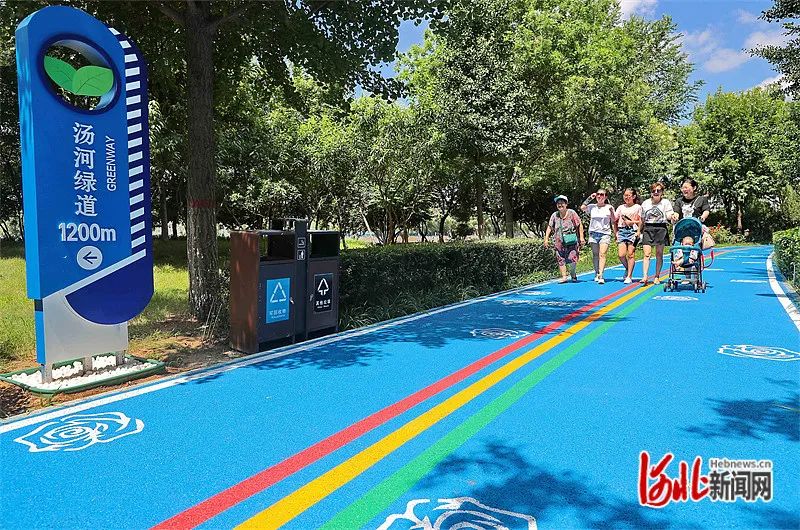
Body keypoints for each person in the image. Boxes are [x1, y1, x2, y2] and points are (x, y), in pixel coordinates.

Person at [544, 195, 585, 283]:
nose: (560, 205)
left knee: (573, 258)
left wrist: (581, 237)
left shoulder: (572, 213)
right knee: (560, 259)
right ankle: (564, 277)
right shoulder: (554, 215)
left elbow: (579, 225)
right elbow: (550, 227)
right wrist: (546, 239)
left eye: (562, 203)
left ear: (566, 204)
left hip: (571, 240)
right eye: (558, 203)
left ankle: (573, 274)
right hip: (559, 242)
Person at [639, 182, 674, 285]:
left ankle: (657, 276)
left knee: (659, 254)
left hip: (661, 228)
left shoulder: (666, 202)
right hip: (648, 228)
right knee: (647, 254)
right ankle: (645, 276)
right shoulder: (645, 203)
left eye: (658, 190)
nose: (656, 192)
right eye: (653, 190)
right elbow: (642, 219)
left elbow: (669, 214)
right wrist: (638, 230)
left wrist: (672, 216)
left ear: (662, 192)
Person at [580, 188, 616, 284]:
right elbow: (582, 207)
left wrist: (612, 212)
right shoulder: (592, 207)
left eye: (602, 194)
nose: (599, 196)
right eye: (598, 194)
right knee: (595, 255)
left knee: (602, 254)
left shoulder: (609, 207)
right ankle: (596, 273)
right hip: (593, 233)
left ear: (605, 197)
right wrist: (590, 198)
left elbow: (614, 220)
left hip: (605, 233)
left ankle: (601, 275)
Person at [615, 188, 642, 284]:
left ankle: (629, 276)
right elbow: (614, 219)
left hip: (632, 231)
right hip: (622, 231)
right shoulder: (620, 207)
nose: (626, 197)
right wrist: (616, 232)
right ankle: (627, 268)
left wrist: (638, 230)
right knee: (621, 255)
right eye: (625, 195)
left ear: (633, 196)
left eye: (628, 195)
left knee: (631, 254)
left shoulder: (638, 207)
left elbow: (641, 221)